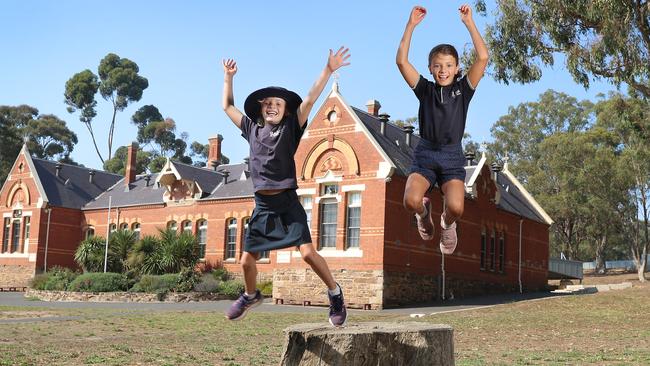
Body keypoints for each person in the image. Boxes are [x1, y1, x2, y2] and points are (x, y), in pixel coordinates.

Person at [221, 47, 351, 326]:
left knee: (307, 253)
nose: (271, 106)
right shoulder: (251, 130)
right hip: (263, 206)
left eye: (277, 103)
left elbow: (311, 99)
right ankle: (250, 295)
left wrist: (328, 70)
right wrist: (228, 78)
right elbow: (227, 107)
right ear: (260, 109)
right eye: (267, 103)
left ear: (285, 110)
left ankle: (335, 293)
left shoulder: (292, 127)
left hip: (288, 204)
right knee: (246, 262)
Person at [396, 4, 488, 254]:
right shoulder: (425, 90)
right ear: (430, 68)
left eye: (448, 65)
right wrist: (411, 25)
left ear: (457, 68)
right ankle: (423, 214)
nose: (443, 70)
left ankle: (446, 223)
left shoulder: (464, 90)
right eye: (438, 65)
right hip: (425, 154)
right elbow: (401, 61)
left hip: (451, 156)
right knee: (410, 201)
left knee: (457, 208)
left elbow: (483, 58)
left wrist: (469, 23)